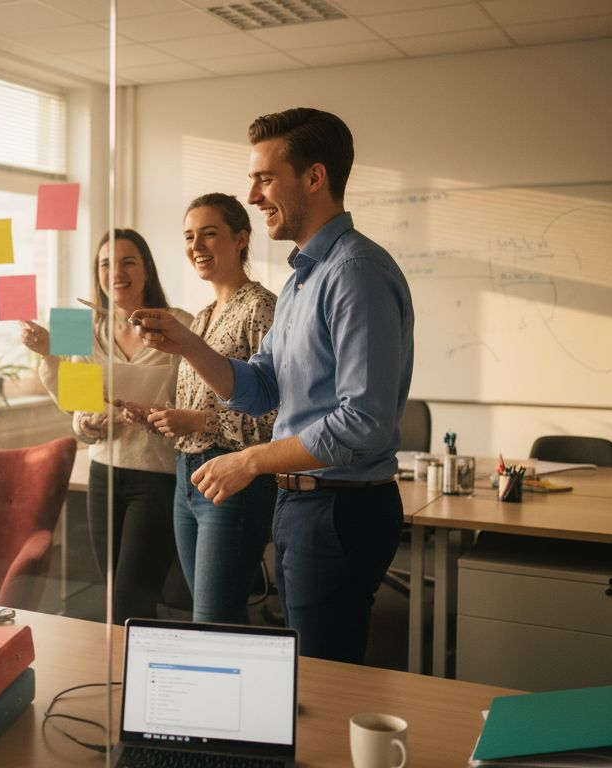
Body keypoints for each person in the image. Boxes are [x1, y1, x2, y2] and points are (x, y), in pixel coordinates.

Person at [132, 108, 414, 664]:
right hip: (302, 502)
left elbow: (364, 420)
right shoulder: (304, 277)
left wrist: (251, 460)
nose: (254, 195)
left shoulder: (354, 272)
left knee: (322, 676)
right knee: (302, 670)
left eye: (265, 178)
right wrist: (188, 343)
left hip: (339, 506)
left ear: (314, 178)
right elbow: (261, 385)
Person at [21, 230, 193, 624]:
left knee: (133, 597)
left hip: (157, 475)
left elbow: (196, 400)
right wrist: (83, 420)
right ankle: (124, 675)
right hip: (103, 472)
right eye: (105, 264)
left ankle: (141, 678)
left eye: (128, 261)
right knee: (114, 593)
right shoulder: (83, 327)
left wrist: (156, 416)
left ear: (146, 268)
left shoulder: (179, 323)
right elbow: (76, 406)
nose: (116, 272)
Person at [125, 193, 277, 625]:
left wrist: (196, 420)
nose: (197, 246)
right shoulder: (203, 316)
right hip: (185, 479)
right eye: (190, 236)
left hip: (233, 480)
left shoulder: (261, 308)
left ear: (241, 240)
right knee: (210, 618)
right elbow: (197, 402)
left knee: (213, 620)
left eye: (209, 234)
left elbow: (275, 415)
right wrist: (160, 417)